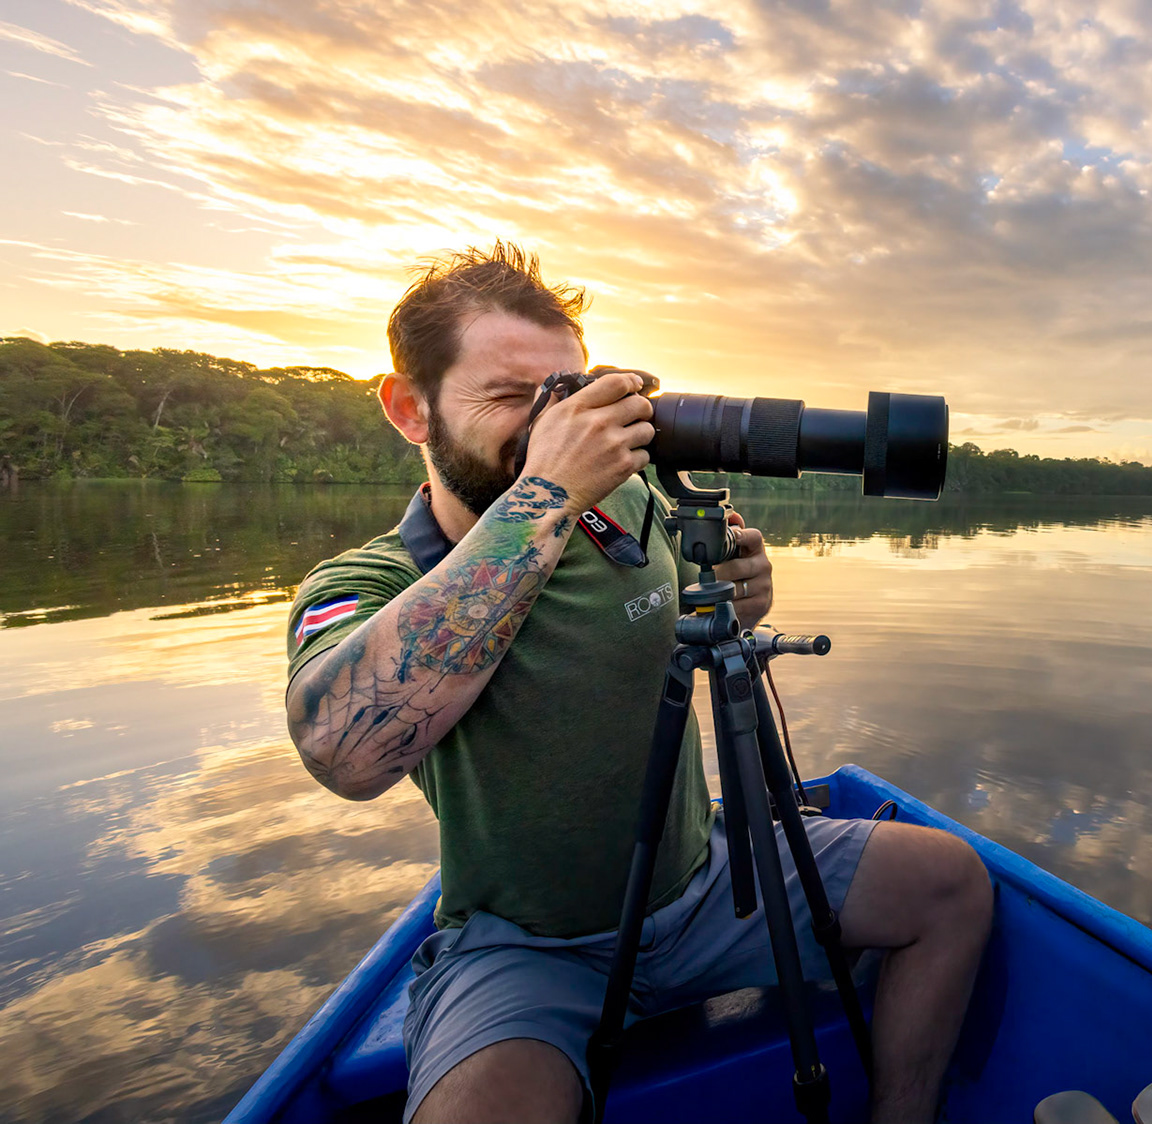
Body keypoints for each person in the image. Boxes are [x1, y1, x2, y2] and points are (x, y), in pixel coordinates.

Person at [283, 243, 992, 1124]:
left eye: (566, 395)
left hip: (706, 886)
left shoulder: (633, 508)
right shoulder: (372, 583)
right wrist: (545, 489)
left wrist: (748, 578)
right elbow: (344, 755)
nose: (553, 425)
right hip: (531, 946)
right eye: (510, 397)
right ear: (409, 409)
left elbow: (719, 565)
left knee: (951, 882)